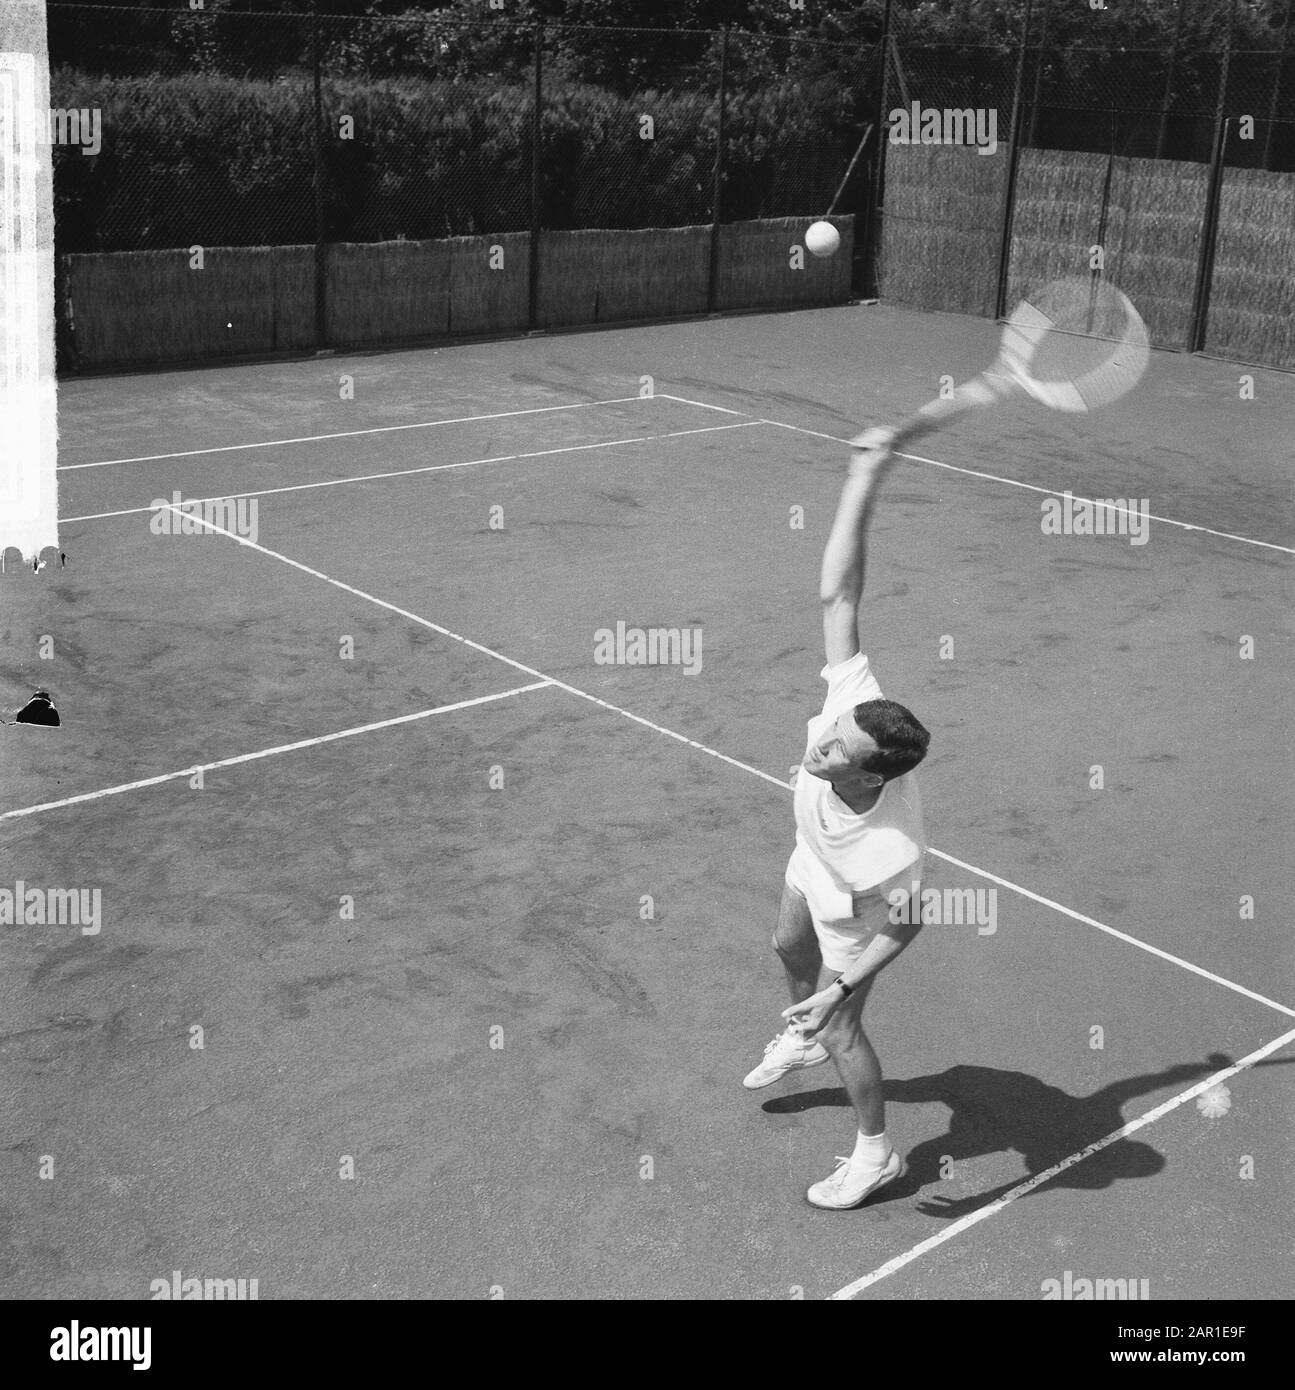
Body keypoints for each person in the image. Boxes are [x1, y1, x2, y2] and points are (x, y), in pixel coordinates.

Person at [743, 425, 931, 1210]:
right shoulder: (855, 705)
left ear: (870, 773)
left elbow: (909, 923)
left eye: (835, 750)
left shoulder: (890, 849)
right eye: (830, 732)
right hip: (811, 857)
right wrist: (864, 477)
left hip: (857, 905)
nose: (819, 742)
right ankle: (802, 1034)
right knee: (785, 943)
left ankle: (875, 1156)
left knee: (840, 1028)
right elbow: (839, 593)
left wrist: (840, 987)